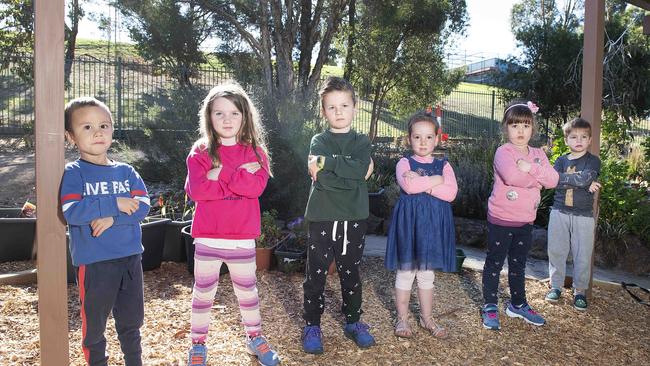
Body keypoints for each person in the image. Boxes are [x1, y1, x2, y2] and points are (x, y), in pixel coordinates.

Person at [184, 82, 279, 366]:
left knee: (247, 292)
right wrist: (236, 175)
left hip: (241, 237)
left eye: (234, 113)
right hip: (208, 238)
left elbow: (255, 188)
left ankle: (255, 338)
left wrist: (220, 174)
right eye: (219, 113)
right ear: (209, 117)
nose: (227, 120)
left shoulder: (256, 152)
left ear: (245, 116)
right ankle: (198, 345)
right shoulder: (200, 151)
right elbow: (197, 191)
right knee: (203, 294)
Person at [61, 97, 150, 366]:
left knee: (131, 321)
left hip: (130, 258)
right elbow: (72, 211)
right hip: (95, 263)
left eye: (104, 125)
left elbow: (143, 206)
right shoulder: (75, 173)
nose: (98, 132)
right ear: (71, 137)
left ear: (112, 130)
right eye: (87, 127)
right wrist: (115, 204)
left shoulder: (126, 171)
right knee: (95, 326)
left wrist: (112, 218)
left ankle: (135, 361)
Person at [302, 76, 375, 354]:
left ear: (355, 107)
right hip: (322, 217)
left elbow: (359, 171)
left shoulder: (360, 141)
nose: (339, 112)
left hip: (354, 218)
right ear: (323, 111)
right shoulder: (319, 139)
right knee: (315, 274)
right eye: (331, 107)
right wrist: (351, 173)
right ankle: (312, 324)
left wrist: (330, 164)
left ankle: (353, 321)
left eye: (344, 105)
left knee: (351, 273)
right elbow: (326, 181)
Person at [481, 100, 559, 330]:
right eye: (515, 125)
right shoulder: (503, 152)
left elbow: (553, 180)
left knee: (518, 264)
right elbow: (512, 177)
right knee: (494, 263)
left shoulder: (537, 154)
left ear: (532, 128)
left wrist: (531, 168)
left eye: (525, 125)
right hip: (501, 219)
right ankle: (490, 306)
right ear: (506, 128)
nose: (521, 131)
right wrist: (538, 180)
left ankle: (517, 304)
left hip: (525, 220)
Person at [384, 111, 458, 339]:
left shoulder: (444, 165)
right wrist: (436, 181)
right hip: (409, 226)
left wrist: (424, 182)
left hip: (432, 227)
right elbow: (409, 187)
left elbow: (451, 193)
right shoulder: (404, 162)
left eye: (428, 137)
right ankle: (402, 319)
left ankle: (427, 319)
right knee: (406, 272)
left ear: (437, 139)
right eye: (417, 137)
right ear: (409, 139)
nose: (423, 142)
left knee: (427, 275)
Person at [545, 118, 601, 311]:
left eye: (584, 137)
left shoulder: (593, 161)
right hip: (559, 212)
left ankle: (580, 291)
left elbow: (586, 177)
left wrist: (574, 180)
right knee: (556, 250)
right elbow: (552, 181)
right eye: (574, 136)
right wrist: (581, 182)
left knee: (582, 254)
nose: (579, 140)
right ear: (566, 139)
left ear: (590, 140)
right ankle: (556, 286)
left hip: (583, 216)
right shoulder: (561, 160)